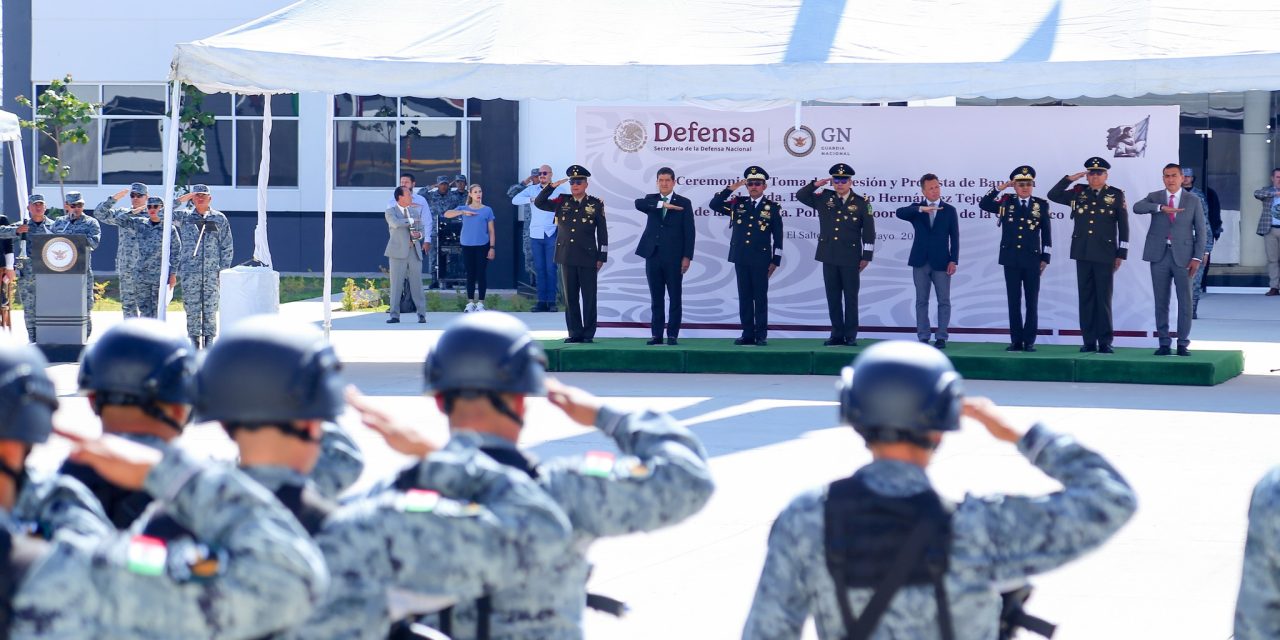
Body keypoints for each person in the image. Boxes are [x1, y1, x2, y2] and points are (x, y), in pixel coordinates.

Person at [185, 315, 569, 640]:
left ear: (220, 418)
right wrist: (435, 454)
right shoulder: (372, 530)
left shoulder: (178, 525)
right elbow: (542, 530)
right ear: (317, 420)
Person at [742, 341, 1137, 639]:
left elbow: (767, 631)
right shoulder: (981, 528)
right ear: (941, 425)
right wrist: (1020, 435)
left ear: (854, 415)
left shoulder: (807, 518)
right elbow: (1111, 498)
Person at [356, 311, 713, 638]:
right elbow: (688, 478)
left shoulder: (393, 496)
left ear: (439, 400)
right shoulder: (566, 490)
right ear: (522, 400)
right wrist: (605, 416)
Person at [0, 338, 329, 639]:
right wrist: (174, 473)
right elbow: (286, 581)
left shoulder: (51, 534)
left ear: (93, 401)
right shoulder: (66, 574)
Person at [1048, 157, 1130, 353]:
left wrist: (1121, 253)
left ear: (1106, 175)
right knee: (1086, 298)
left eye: (1099, 173)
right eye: (1091, 173)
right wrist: (1069, 179)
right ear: (1087, 176)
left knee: (1103, 299)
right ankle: (1089, 341)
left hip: (1105, 253)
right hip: (1082, 252)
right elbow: (1053, 195)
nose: (1095, 177)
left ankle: (1105, 342)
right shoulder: (1079, 193)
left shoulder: (1115, 195)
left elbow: (1123, 225)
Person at [796, 163, 875, 347]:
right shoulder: (824, 198)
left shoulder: (862, 202)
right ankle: (836, 334)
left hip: (851, 257)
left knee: (850, 298)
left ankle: (851, 335)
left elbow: (869, 232)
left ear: (850, 182)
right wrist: (815, 184)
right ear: (832, 182)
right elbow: (801, 196)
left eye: (843, 180)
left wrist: (866, 256)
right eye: (836, 180)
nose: (840, 184)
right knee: (833, 297)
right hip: (829, 255)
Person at [1133, 163, 1206, 356]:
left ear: (1182, 178)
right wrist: (1160, 208)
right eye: (1167, 176)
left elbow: (1201, 231)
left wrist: (1197, 257)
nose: (1170, 179)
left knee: (1185, 301)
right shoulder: (1155, 197)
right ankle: (1164, 343)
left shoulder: (1193, 200)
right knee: (1161, 301)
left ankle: (1182, 343)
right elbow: (1137, 207)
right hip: (1159, 255)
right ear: (1163, 178)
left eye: (1174, 175)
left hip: (1184, 256)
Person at [979, 166, 1053, 352]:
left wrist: (1045, 257)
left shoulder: (1041, 205)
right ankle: (1016, 340)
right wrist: (1001, 187)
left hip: (1032, 259)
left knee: (1031, 302)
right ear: (1014, 186)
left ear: (1033, 185)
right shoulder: (1006, 203)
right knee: (1014, 301)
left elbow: (1047, 234)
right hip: (1010, 259)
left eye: (1028, 184)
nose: (1025, 187)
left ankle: (1029, 341)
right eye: (1021, 184)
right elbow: (984, 204)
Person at [711, 166, 784, 346]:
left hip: (761, 259)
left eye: (757, 183)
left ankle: (761, 335)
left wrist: (776, 260)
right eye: (750, 183)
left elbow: (778, 237)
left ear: (764, 186)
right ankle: (747, 334)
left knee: (760, 298)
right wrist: (731, 188)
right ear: (746, 186)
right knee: (744, 297)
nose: (753, 187)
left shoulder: (772, 208)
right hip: (741, 257)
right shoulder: (738, 205)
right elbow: (714, 204)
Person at [535, 164, 608, 343]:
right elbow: (539, 203)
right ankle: (575, 333)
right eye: (572, 182)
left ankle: (588, 334)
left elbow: (602, 233)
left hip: (588, 257)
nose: (575, 185)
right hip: (566, 255)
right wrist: (551, 186)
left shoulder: (595, 204)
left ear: (586, 184)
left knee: (589, 297)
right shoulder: (562, 201)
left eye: (579, 182)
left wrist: (602, 256)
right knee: (571, 298)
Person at [634, 166, 696, 345]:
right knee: (656, 297)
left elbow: (690, 232)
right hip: (653, 255)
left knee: (675, 297)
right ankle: (657, 335)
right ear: (657, 182)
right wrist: (662, 204)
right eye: (661, 180)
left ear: (674, 182)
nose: (664, 183)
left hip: (674, 257)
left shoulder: (684, 202)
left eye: (667, 180)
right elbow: (638, 203)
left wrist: (687, 256)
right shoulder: (651, 199)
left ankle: (673, 335)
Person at [896, 174, 959, 349]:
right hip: (920, 261)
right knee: (921, 301)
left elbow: (955, 237)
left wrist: (953, 260)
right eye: (931, 188)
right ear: (923, 191)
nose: (935, 190)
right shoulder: (916, 209)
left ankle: (941, 337)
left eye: (937, 187)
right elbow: (899, 212)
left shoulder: (949, 210)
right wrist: (920, 209)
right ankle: (923, 336)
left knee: (944, 300)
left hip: (942, 262)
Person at [172, 184, 234, 348]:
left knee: (210, 308)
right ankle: (194, 340)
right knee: (192, 307)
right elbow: (162, 214)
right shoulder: (184, 217)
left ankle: (209, 341)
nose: (200, 198)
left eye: (203, 195)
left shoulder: (219, 218)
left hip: (211, 273)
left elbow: (227, 246)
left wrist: (223, 271)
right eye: (197, 195)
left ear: (209, 198)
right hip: (190, 272)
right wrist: (181, 199)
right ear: (192, 198)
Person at [98, 196, 179, 319]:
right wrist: (133, 212)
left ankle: (158, 332)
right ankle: (144, 331)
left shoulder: (169, 229)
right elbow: (119, 220)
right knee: (144, 310)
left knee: (158, 310)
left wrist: (173, 274)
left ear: (162, 208)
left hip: (159, 275)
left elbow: (176, 252)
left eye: (156, 206)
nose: (152, 209)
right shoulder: (140, 224)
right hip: (141, 275)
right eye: (149, 207)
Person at [46, 191, 103, 338]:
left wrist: (77, 239)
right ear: (66, 206)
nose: (77, 208)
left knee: (84, 308)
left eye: (79, 205)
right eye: (73, 205)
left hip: (82, 272)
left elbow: (94, 243)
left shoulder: (91, 223)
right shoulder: (59, 223)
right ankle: (64, 338)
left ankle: (84, 339)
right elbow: (48, 243)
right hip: (62, 274)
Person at [0, 194, 56, 342]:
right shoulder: (22, 226)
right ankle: (33, 339)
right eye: (34, 204)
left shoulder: (55, 226)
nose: (38, 207)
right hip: (27, 274)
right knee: (29, 308)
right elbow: (2, 232)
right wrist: (16, 231)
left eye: (40, 204)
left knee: (49, 307)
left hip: (49, 274)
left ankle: (48, 339)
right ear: (28, 208)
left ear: (45, 207)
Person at [513, 165, 568, 312]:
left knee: (551, 268)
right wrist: (531, 199)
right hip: (536, 234)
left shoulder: (559, 190)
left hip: (551, 233)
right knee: (540, 269)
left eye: (545, 173)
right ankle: (541, 302)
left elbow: (565, 209)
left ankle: (551, 302)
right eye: (540, 173)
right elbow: (515, 200)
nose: (542, 175)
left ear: (551, 175)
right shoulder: (532, 189)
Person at [95, 182, 149, 317]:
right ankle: (130, 330)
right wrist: (114, 199)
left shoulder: (153, 214)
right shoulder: (122, 214)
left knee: (148, 306)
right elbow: (99, 214)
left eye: (139, 195)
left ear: (146, 197)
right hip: (126, 266)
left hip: (147, 267)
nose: (135, 198)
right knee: (128, 305)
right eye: (133, 195)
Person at [444, 184, 496, 312]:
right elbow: (447, 214)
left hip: (482, 245)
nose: (478, 194)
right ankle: (470, 302)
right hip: (467, 245)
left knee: (481, 273)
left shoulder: (487, 210)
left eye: (480, 191)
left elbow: (491, 230)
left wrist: (492, 247)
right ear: (470, 194)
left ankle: (481, 303)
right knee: (470, 274)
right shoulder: (464, 208)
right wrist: (462, 212)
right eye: (475, 192)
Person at [385, 186, 429, 324]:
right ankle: (394, 315)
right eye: (408, 194)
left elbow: (421, 230)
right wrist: (411, 221)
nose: (411, 197)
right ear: (400, 197)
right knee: (396, 285)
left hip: (414, 252)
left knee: (417, 284)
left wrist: (418, 235)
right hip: (397, 253)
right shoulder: (391, 212)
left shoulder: (414, 211)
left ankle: (421, 314)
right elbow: (396, 224)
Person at [1182, 168, 1221, 311]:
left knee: (1195, 280)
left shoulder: (1199, 195)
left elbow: (1206, 225)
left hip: (1197, 245)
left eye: (1188, 176)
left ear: (1192, 178)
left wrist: (1206, 250)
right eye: (1183, 176)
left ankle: (1191, 310)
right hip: (1179, 244)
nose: (1185, 179)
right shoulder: (1173, 195)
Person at [508, 167, 541, 284]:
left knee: (542, 256)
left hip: (542, 228)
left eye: (538, 176)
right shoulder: (527, 190)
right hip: (528, 229)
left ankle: (541, 283)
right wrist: (523, 183)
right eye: (534, 177)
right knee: (529, 255)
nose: (536, 179)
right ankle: (533, 283)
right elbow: (510, 193)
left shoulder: (546, 190)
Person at [422, 175, 456, 289]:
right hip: (434, 231)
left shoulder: (453, 197)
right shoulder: (431, 196)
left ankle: (448, 280)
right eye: (441, 184)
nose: (444, 186)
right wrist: (431, 187)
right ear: (438, 185)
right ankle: (434, 279)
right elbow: (419, 194)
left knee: (449, 256)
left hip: (448, 231)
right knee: (433, 256)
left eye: (445, 184)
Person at [1252, 168, 1280, 296]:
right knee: (1273, 260)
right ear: (1272, 178)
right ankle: (1274, 287)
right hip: (1270, 229)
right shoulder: (1267, 191)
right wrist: (1275, 193)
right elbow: (1257, 193)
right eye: (1278, 177)